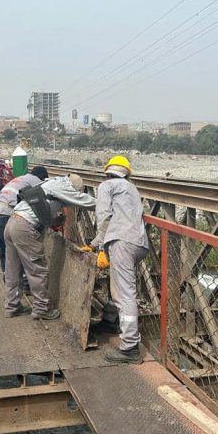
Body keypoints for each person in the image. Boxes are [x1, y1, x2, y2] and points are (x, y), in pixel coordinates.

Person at [4, 174, 95, 319]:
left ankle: (12, 306)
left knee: (13, 269)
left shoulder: (48, 183)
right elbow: (84, 201)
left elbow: (39, 208)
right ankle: (41, 309)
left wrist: (54, 220)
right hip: (24, 228)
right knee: (37, 270)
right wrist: (109, 204)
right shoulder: (65, 187)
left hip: (12, 223)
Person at [89, 156, 148, 365]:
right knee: (118, 287)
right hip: (139, 244)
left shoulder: (106, 186)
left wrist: (97, 245)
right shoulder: (132, 188)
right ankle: (111, 321)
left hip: (122, 242)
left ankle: (130, 347)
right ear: (126, 174)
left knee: (125, 294)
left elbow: (104, 217)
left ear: (107, 173)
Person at [0, 166, 49, 273]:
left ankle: (7, 277)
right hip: (5, 216)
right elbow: (44, 197)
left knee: (4, 250)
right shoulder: (36, 180)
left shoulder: (21, 178)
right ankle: (22, 280)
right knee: (18, 253)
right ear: (42, 177)